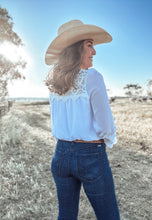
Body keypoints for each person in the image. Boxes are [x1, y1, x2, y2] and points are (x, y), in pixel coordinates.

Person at [45, 19, 120, 220]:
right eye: (89, 45)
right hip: (90, 155)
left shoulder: (54, 85)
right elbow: (106, 125)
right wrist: (106, 141)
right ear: (77, 48)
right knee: (109, 216)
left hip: (60, 154)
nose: (94, 51)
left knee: (66, 215)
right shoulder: (92, 76)